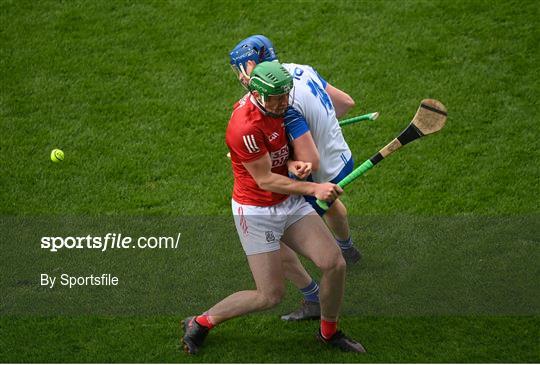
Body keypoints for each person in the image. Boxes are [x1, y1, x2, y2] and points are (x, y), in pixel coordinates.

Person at [181, 61, 365, 354]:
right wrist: (315, 187)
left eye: (285, 96)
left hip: (288, 202)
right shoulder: (245, 127)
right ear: (257, 94)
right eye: (275, 99)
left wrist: (295, 163)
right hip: (256, 211)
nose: (282, 104)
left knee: (334, 263)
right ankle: (201, 321)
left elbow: (285, 153)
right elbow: (265, 180)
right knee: (270, 295)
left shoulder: (281, 107)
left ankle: (329, 332)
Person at [229, 35, 361, 321]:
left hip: (316, 173)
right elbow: (345, 104)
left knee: (275, 234)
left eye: (239, 69)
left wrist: (284, 159)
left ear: (249, 66)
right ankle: (348, 247)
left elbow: (308, 161)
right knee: (331, 209)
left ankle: (312, 296)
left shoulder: (277, 100)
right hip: (341, 159)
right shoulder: (300, 69)